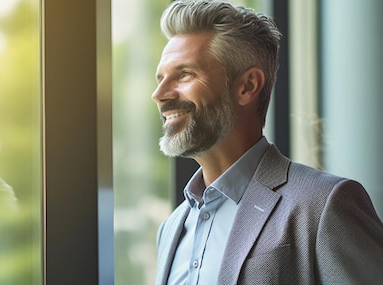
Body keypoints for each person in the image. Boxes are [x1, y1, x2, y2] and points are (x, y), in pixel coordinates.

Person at [151, 0, 383, 284]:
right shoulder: (172, 227)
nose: (159, 94)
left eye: (185, 74)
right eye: (160, 78)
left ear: (247, 86)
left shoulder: (324, 206)